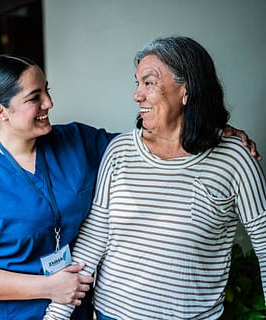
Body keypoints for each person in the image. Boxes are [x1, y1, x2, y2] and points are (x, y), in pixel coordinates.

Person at [0, 54, 260, 320]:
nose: (49, 102)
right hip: (8, 312)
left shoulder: (78, 141)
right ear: (0, 111)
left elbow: (155, 141)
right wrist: (49, 288)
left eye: (46, 90)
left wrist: (212, 128)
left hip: (73, 307)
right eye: (35, 98)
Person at [43, 36, 266, 320]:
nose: (137, 95)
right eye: (137, 83)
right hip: (113, 314)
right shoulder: (120, 151)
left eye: (149, 83)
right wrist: (56, 316)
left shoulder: (234, 159)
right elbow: (94, 239)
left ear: (187, 89)